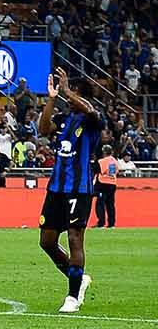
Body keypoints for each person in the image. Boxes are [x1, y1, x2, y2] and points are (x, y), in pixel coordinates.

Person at [37, 70, 99, 312]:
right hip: (56, 188)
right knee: (47, 241)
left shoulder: (92, 121)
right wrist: (51, 98)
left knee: (75, 237)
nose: (67, 98)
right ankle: (79, 279)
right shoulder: (64, 120)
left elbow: (90, 110)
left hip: (79, 188)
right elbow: (43, 129)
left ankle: (72, 297)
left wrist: (67, 90)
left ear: (80, 96)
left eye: (72, 94)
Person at [93, 145, 120, 228]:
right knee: (110, 205)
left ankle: (101, 223)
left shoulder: (101, 161)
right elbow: (117, 171)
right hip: (112, 184)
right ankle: (111, 224)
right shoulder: (115, 161)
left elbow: (95, 170)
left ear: (103, 152)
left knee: (100, 204)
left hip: (102, 184)